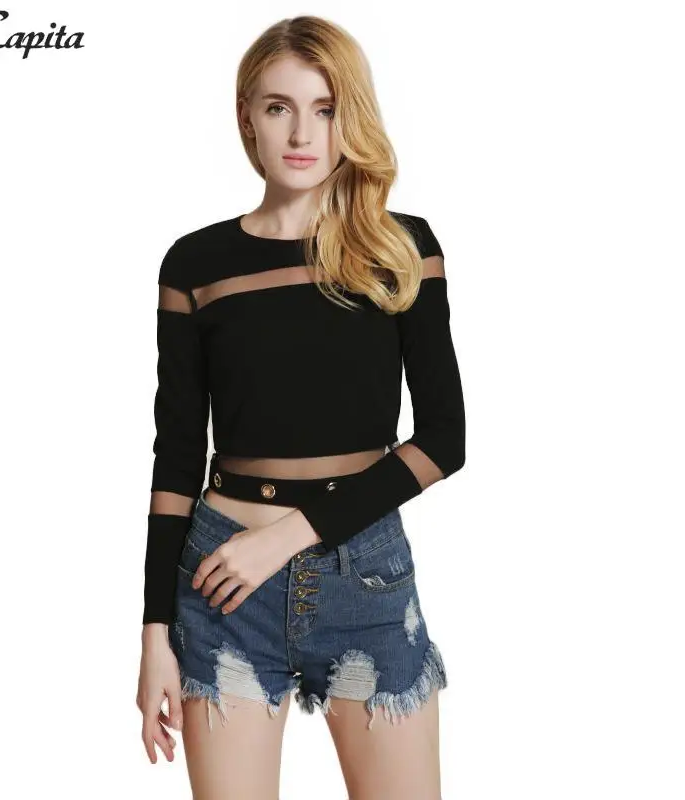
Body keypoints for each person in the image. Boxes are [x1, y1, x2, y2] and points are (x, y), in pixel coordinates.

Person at [136, 15, 465, 800]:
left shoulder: (401, 247)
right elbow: (176, 457)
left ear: (352, 117)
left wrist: (290, 536)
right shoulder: (196, 263)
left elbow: (444, 440)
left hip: (365, 579)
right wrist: (154, 632)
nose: (301, 133)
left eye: (325, 108)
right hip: (222, 582)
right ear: (246, 115)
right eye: (279, 106)